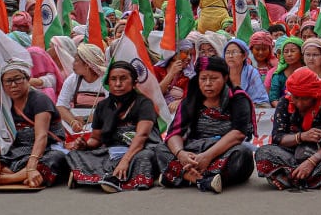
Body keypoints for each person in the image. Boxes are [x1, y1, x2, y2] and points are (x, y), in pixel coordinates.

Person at [155, 57, 255, 193]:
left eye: (213, 79)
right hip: (196, 149)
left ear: (225, 78)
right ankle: (202, 179)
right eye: (203, 79)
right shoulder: (190, 99)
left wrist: (208, 156)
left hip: (223, 149)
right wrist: (181, 154)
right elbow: (174, 133)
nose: (208, 84)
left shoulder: (238, 98)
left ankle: (178, 175)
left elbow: (238, 134)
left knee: (243, 154)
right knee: (161, 148)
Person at [254, 68, 321, 190]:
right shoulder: (284, 103)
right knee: (263, 153)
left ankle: (289, 178)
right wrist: (301, 137)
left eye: (305, 99)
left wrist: (312, 162)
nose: (299, 103)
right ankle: (318, 180)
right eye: (296, 97)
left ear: (314, 95)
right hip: (292, 155)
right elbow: (277, 138)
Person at [65, 62, 160, 192]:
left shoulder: (144, 103)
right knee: (75, 154)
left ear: (134, 82)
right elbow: (96, 140)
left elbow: (142, 136)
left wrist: (125, 160)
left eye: (123, 78)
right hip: (112, 150)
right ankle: (112, 177)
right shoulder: (103, 106)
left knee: (145, 157)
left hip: (138, 149)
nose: (118, 84)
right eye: (113, 79)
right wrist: (84, 145)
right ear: (108, 83)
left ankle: (104, 178)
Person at [0, 60, 67, 187]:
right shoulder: (4, 103)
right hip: (17, 150)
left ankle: (6, 178)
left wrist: (31, 166)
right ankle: (22, 176)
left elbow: (41, 136)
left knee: (54, 159)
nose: (13, 85)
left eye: (18, 79)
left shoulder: (39, 100)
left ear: (28, 79)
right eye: (8, 81)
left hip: (45, 148)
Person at [56, 43, 107, 131]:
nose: (73, 63)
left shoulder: (106, 80)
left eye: (76, 60)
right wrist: (73, 122)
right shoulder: (73, 79)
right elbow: (61, 106)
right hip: (76, 121)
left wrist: (86, 119)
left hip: (99, 122)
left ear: (87, 65)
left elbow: (112, 109)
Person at [222, 39, 271, 107]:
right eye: (227, 52)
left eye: (234, 52)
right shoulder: (221, 73)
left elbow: (261, 101)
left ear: (244, 56)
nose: (230, 56)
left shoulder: (251, 73)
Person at [269, 37, 304, 106]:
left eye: (293, 51)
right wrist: (283, 110)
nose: (289, 54)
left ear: (301, 53)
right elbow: (273, 98)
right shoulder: (278, 76)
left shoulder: (309, 72)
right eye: (286, 51)